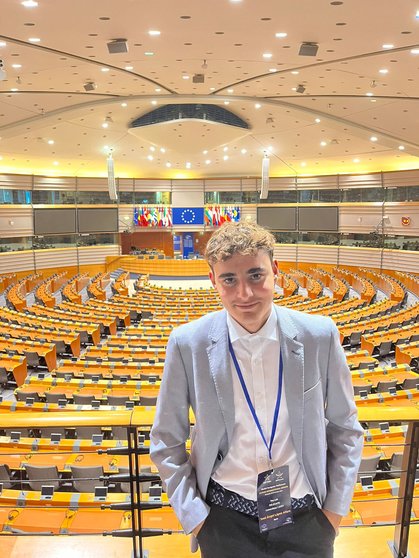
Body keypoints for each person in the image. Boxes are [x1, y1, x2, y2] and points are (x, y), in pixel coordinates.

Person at [150, 221, 363, 558]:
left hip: (307, 518)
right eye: (229, 280)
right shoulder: (187, 343)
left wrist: (333, 515)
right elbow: (165, 441)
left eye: (255, 275)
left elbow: (346, 430)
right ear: (213, 281)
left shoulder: (319, 335)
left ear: (275, 270)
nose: (244, 294)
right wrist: (196, 519)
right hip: (223, 521)